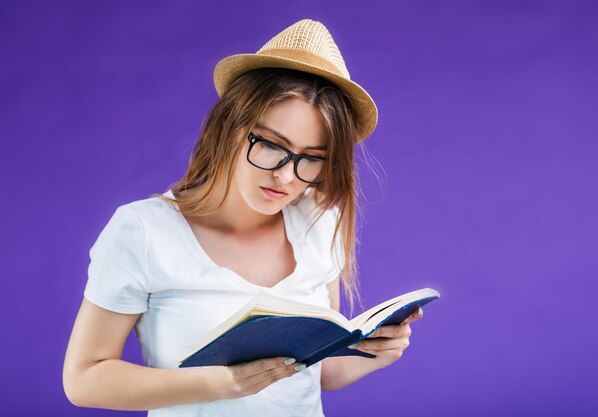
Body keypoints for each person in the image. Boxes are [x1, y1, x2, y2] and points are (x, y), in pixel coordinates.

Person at [63, 18, 423, 416]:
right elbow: (84, 379)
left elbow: (318, 374)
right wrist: (222, 383)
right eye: (272, 145)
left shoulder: (320, 221)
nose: (287, 176)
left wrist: (377, 352)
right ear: (230, 127)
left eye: (311, 159)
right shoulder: (144, 231)